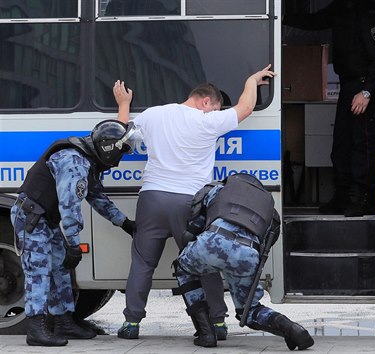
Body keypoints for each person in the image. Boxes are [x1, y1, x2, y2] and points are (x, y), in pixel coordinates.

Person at [113, 64, 276, 340]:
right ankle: (218, 322)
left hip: (151, 199)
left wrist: (123, 103)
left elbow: (122, 136)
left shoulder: (154, 114)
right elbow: (245, 108)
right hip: (189, 203)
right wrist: (250, 80)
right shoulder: (206, 120)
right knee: (203, 262)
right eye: (215, 108)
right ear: (205, 101)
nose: (216, 114)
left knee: (142, 263)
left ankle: (131, 324)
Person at [10, 120, 137, 346]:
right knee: (38, 270)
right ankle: (35, 328)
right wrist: (74, 244)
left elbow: (98, 199)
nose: (118, 162)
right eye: (120, 154)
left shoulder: (87, 160)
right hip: (32, 219)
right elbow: (69, 207)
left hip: (44, 219)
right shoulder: (74, 161)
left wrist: (125, 223)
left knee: (61, 268)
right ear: (108, 149)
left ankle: (64, 322)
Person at [172, 173, 315, 350]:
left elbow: (191, 232)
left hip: (213, 242)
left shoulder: (216, 189)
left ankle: (206, 332)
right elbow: (266, 247)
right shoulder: (270, 209)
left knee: (183, 268)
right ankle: (292, 328)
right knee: (249, 311)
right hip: (248, 254)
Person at [284, 0, 375, 216]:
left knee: (362, 144)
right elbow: (313, 21)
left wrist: (367, 92)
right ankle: (342, 194)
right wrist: (285, 12)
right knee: (341, 144)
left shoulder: (370, 11)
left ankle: (361, 196)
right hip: (348, 85)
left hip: (364, 87)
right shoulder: (341, 8)